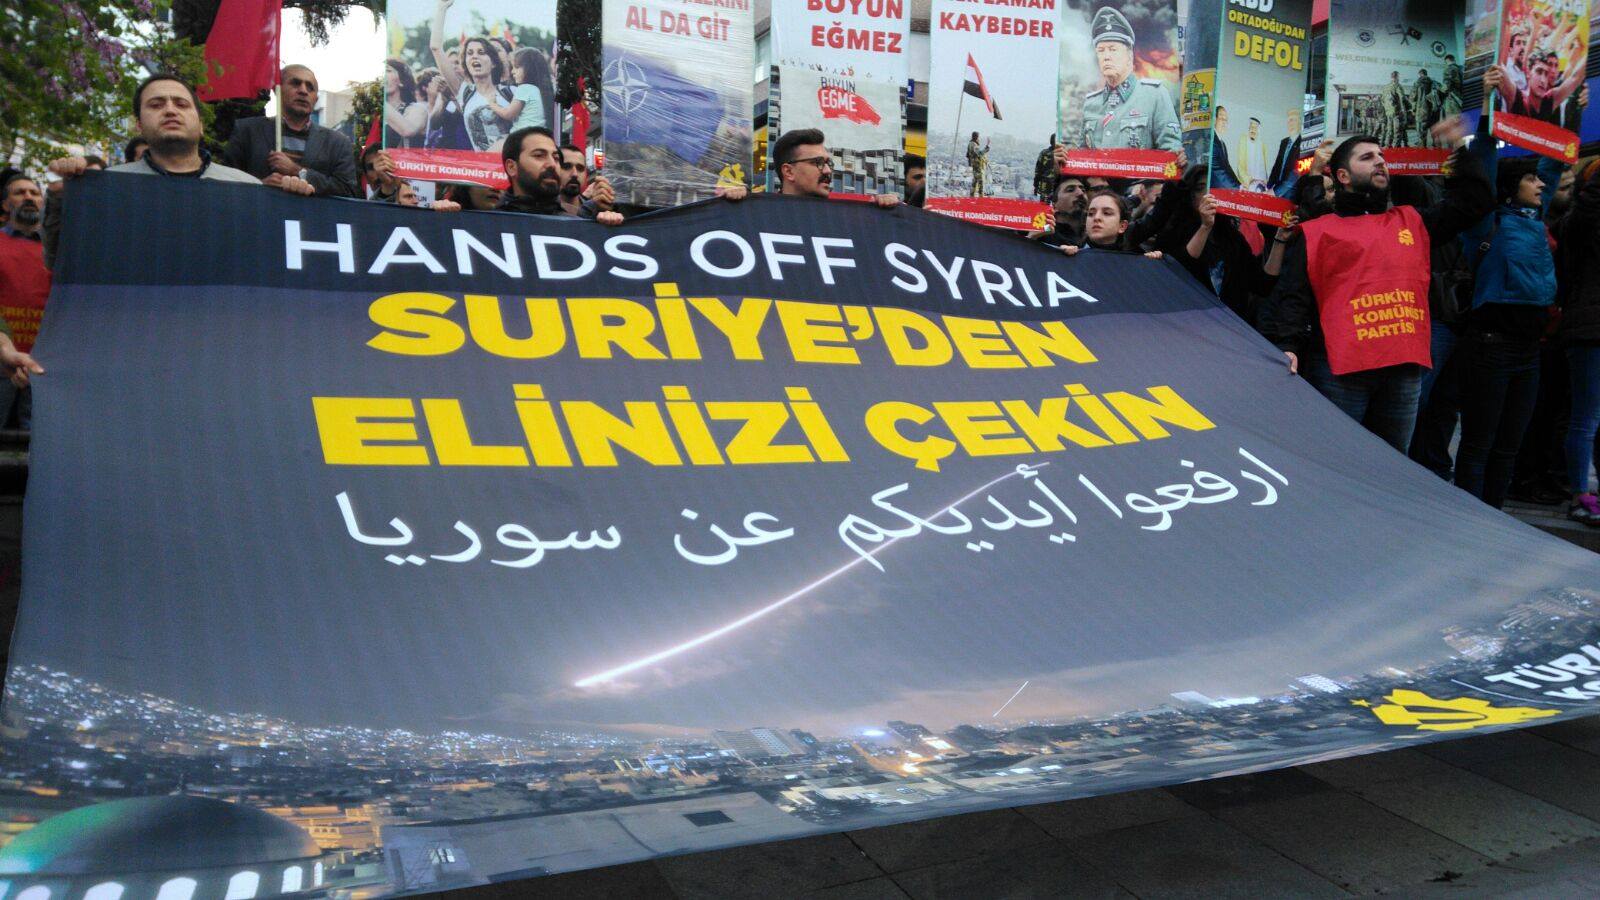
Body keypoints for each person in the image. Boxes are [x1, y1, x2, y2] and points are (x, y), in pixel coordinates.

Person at [1259, 117, 1494, 452]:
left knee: (1391, 467)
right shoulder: (1317, 231)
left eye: (1381, 156)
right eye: (1367, 157)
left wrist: (1459, 147)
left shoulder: (1413, 222)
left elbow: (1475, 203)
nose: (1380, 161)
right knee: (1337, 462)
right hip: (1341, 372)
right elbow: (1294, 297)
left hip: (1403, 372)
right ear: (1342, 176)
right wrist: (1289, 346)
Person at [44, 74, 313, 269]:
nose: (170, 110)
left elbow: (274, 263)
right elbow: (60, 262)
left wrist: (296, 208)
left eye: (181, 104)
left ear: (201, 124)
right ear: (139, 125)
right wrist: (61, 198)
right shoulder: (109, 187)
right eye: (156, 104)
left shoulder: (248, 188)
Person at [1453, 109, 1566, 509]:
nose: (1541, 184)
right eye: (1531, 179)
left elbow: (1554, 163)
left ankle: (1495, 518)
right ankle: (1469, 520)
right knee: (1479, 443)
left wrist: (1570, 109)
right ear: (1508, 187)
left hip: (1528, 351)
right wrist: (1486, 123)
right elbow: (1483, 173)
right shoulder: (1487, 223)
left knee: (1507, 448)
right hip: (1491, 349)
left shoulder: (1535, 219)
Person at [224, 64, 358, 197]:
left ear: (316, 99)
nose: (303, 91)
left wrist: (298, 171)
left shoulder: (338, 143)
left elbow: (348, 191)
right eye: (295, 83)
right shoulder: (247, 131)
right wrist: (259, 186)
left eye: (310, 87)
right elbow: (226, 183)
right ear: (277, 90)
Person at [1080, 6, 1182, 155]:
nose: (1106, 56)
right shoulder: (1091, 104)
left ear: (1129, 55)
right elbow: (1081, 158)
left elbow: (1171, 153)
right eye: (1101, 50)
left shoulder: (1154, 96)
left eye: (1113, 49)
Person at [1560, 158, 1600, 522]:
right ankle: (1580, 494)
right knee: (1586, 417)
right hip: (1589, 331)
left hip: (1587, 327)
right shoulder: (1582, 222)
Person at [430, 0, 518, 154]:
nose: (474, 57)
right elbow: (436, 48)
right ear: (466, 63)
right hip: (481, 167)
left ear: (493, 63)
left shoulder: (511, 92)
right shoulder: (464, 93)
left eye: (481, 52)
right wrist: (441, 8)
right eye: (469, 53)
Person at [496, 126, 625, 223]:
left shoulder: (576, 225)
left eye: (556, 158)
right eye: (539, 155)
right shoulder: (489, 225)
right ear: (511, 167)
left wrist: (605, 229)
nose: (552, 164)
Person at [0, 173, 48, 427]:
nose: (28, 197)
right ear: (6, 205)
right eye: (20, 193)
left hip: (44, 366)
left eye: (34, 193)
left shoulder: (58, 251)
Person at [772, 129, 898, 208]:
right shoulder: (764, 215)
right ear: (789, 172)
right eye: (818, 162)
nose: (827, 170)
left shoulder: (853, 209)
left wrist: (889, 207)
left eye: (828, 163)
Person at [1033, 175, 1089, 248]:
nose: (1081, 193)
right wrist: (1032, 238)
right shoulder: (1044, 232)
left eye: (1083, 190)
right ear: (1054, 205)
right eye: (1070, 190)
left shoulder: (1095, 233)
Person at [383, 58, 426, 150]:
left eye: (387, 70)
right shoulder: (374, 111)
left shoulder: (417, 109)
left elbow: (408, 130)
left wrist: (380, 97)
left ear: (402, 80)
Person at [509, 47, 554, 132]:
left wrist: (493, 105)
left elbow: (509, 114)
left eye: (516, 67)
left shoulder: (525, 88)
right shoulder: (545, 90)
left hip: (521, 135)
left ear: (529, 69)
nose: (512, 71)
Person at [1267, 108, 1303, 192]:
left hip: (1290, 187)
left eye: (1294, 120)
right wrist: (1269, 186)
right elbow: (1277, 165)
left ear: (1299, 123)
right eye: (1289, 121)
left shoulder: (1302, 141)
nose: (1291, 123)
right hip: (1277, 185)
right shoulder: (1284, 142)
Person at [1210, 105, 1241, 189]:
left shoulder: (1222, 144)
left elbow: (1227, 168)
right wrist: (1237, 188)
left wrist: (1239, 185)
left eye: (1226, 120)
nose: (1224, 122)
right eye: (1221, 118)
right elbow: (1218, 170)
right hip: (1212, 190)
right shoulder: (1211, 139)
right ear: (1214, 120)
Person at [1236, 117, 1270, 190]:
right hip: (1248, 184)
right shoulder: (1243, 140)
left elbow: (1265, 167)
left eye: (1255, 128)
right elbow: (1240, 166)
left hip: (1262, 185)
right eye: (1251, 127)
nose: (1253, 129)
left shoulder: (1262, 144)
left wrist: (1266, 182)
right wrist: (1249, 180)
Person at [1379, 71, 1411, 148]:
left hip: (1388, 112)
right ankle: (1395, 147)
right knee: (1397, 130)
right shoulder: (1397, 86)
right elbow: (1402, 97)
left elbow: (1382, 100)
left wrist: (1387, 108)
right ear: (1397, 77)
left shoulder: (1385, 87)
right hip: (1397, 111)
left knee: (1389, 129)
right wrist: (1408, 107)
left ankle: (1387, 145)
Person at [1412, 68, 1441, 148]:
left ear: (1420, 74)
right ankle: (1437, 147)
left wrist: (1413, 109)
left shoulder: (1417, 83)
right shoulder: (1435, 82)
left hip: (1422, 110)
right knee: (1435, 129)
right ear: (1426, 74)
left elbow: (1413, 97)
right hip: (1435, 111)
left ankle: (1422, 147)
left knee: (1422, 130)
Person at [1034, 135, 1059, 203]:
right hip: (1049, 185)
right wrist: (1036, 185)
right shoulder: (1045, 153)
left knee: (1046, 206)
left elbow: (1038, 170)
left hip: (1050, 185)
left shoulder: (1044, 153)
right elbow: (1038, 170)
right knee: (1045, 206)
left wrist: (1036, 185)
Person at [966, 131, 989, 197]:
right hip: (977, 166)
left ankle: (972, 196)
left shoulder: (971, 144)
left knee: (975, 181)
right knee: (981, 182)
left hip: (975, 165)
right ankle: (981, 196)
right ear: (976, 137)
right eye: (978, 137)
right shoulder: (973, 144)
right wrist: (987, 148)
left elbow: (968, 155)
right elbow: (979, 153)